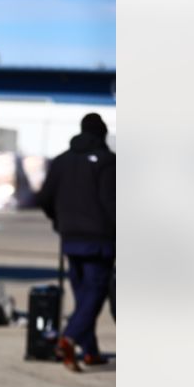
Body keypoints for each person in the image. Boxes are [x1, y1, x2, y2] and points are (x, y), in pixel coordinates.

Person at [36, 112, 116, 371]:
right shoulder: (108, 161)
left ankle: (90, 351)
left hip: (70, 238)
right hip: (100, 240)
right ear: (102, 133)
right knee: (95, 293)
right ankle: (69, 338)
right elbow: (112, 203)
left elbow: (44, 198)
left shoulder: (61, 161)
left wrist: (60, 220)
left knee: (84, 296)